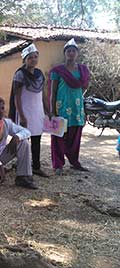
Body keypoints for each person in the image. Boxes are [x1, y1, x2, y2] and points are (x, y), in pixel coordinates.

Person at [49, 38, 90, 175]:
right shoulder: (57, 70)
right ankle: (58, 165)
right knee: (58, 136)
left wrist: (76, 98)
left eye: (73, 51)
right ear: (64, 53)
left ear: (77, 53)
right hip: (61, 107)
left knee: (75, 136)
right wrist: (52, 110)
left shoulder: (83, 70)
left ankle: (74, 162)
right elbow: (53, 91)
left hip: (77, 108)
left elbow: (84, 87)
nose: (71, 53)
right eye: (68, 51)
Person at [9, 44, 49, 177]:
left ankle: (36, 166)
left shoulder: (39, 74)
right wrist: (22, 116)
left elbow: (42, 94)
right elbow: (17, 97)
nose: (33, 59)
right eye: (30, 57)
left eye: (35, 57)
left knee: (37, 138)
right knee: (23, 140)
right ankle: (21, 167)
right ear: (25, 59)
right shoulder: (20, 74)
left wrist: (47, 110)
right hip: (24, 112)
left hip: (37, 111)